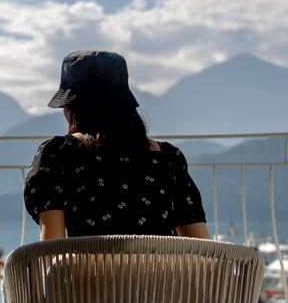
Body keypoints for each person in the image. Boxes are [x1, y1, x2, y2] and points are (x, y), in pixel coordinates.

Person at [24, 50, 211, 240]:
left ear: (71, 106)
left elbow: (51, 251)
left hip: (87, 270)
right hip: (157, 269)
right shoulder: (169, 158)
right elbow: (202, 249)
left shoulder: (57, 155)